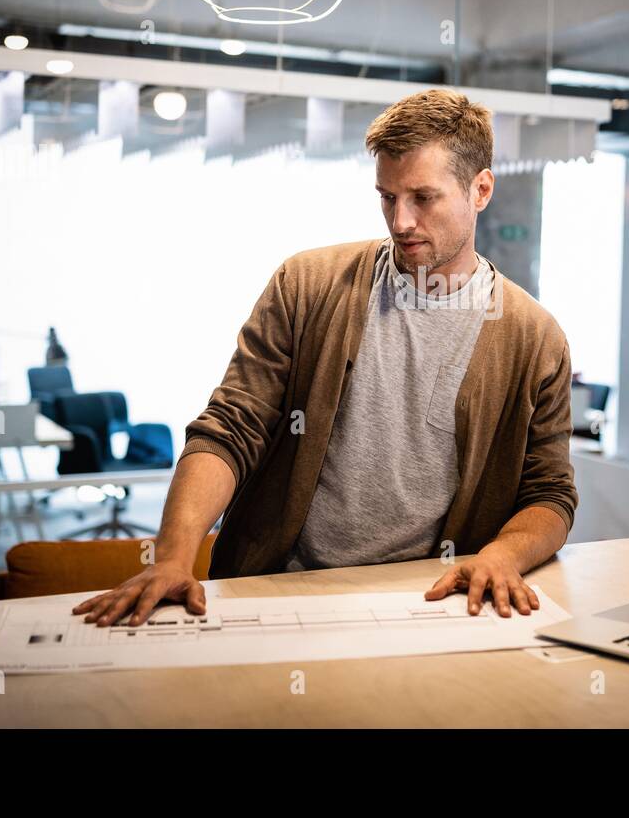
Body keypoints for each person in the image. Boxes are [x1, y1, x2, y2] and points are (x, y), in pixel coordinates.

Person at [74, 89, 577, 626]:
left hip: (430, 600)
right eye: (387, 197)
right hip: (281, 587)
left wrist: (501, 555)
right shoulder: (307, 285)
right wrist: (175, 557)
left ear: (480, 189)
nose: (400, 221)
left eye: (423, 198)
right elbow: (230, 428)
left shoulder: (535, 338)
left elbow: (549, 493)